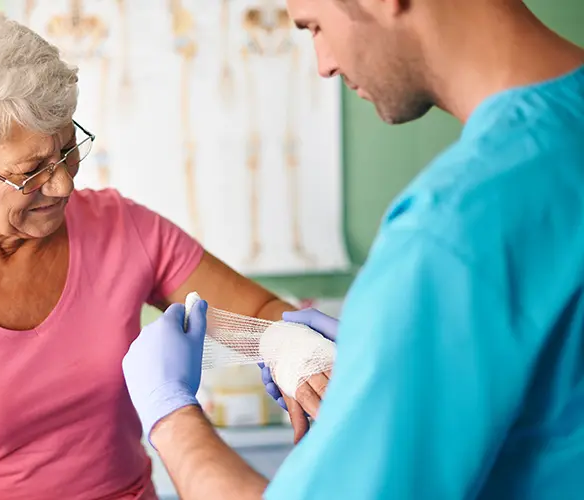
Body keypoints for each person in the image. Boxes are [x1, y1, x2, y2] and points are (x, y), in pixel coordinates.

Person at [0, 5, 305, 500]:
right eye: (31, 170)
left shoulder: (121, 227)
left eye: (66, 148)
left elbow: (260, 317)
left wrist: (294, 351)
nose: (62, 185)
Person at [121, 0, 584, 498]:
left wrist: (169, 411)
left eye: (315, 26)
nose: (324, 64)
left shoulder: (451, 230)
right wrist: (393, 360)